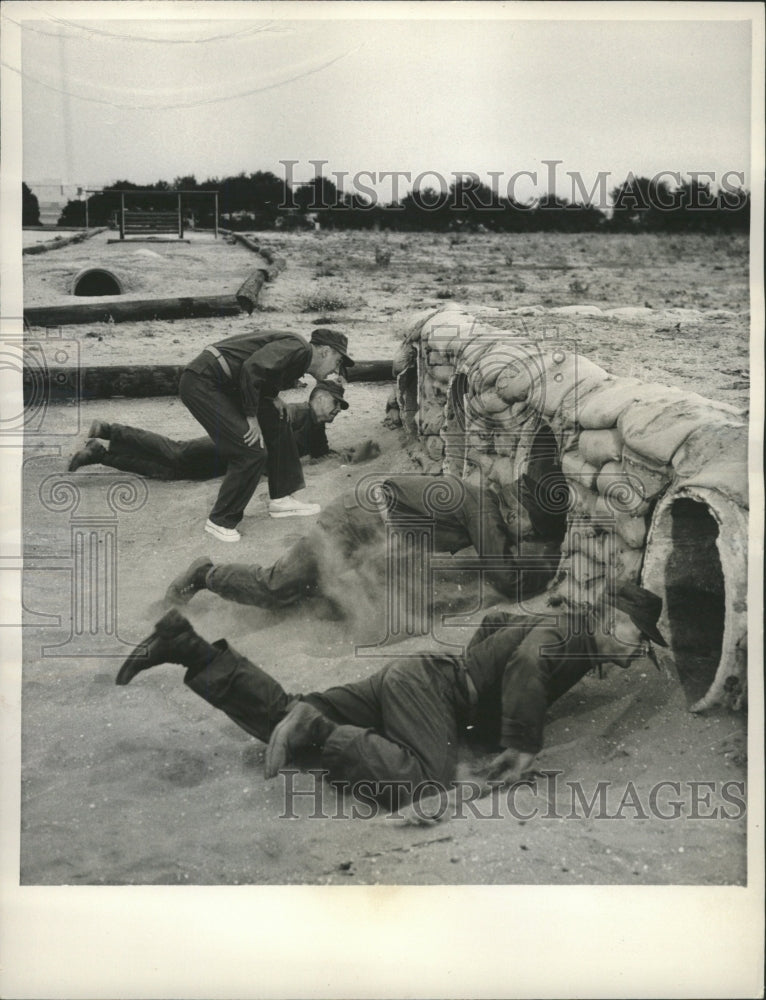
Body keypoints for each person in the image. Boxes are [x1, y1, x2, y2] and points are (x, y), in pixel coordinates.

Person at [115, 582, 667, 809]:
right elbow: (527, 662)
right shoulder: (569, 633)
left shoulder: (559, 618)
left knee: (291, 715)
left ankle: (188, 648)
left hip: (418, 680)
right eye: (640, 640)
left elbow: (499, 621)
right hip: (430, 690)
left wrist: (480, 687)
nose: (637, 652)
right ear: (614, 620)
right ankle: (321, 728)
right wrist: (521, 742)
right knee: (419, 782)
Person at [164, 472, 566, 612]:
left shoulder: (482, 502)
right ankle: (206, 574)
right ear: (516, 511)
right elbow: (501, 575)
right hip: (354, 523)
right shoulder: (483, 509)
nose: (525, 536)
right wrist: (551, 576)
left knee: (320, 594)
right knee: (279, 587)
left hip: (371, 528)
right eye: (529, 529)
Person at [179, 327, 354, 542]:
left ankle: (281, 498)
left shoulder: (299, 358)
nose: (335, 370)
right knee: (251, 450)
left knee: (279, 417)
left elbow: (264, 374)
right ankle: (221, 520)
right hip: (203, 382)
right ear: (325, 352)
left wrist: (272, 397)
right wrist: (251, 418)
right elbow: (252, 368)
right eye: (338, 362)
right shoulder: (298, 347)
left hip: (224, 384)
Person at [67, 380, 349, 481]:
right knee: (176, 451)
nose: (337, 410)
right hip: (234, 445)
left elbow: (323, 454)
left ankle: (100, 455)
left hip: (235, 464)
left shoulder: (315, 427)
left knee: (173, 471)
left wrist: (348, 457)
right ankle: (110, 430)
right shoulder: (296, 412)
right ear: (319, 397)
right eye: (336, 404)